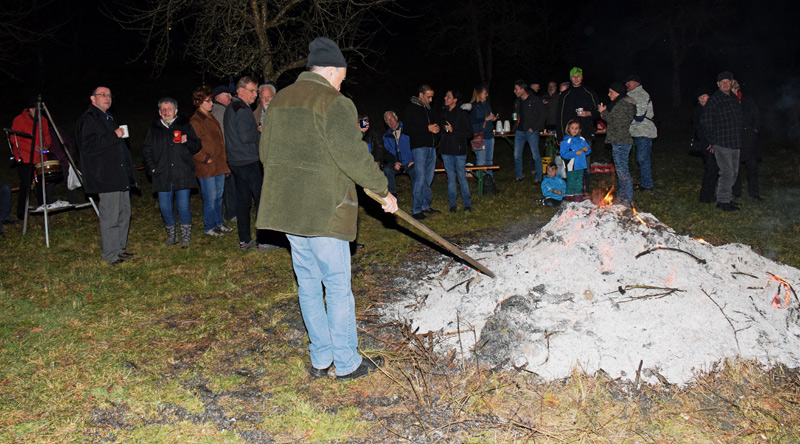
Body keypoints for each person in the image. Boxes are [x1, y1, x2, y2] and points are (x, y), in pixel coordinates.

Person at [257, 37, 398, 380]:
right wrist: (383, 192)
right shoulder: (334, 103)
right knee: (336, 287)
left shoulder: (278, 102)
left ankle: (320, 359)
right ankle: (347, 362)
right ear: (331, 71)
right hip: (325, 210)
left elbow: (265, 154)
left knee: (307, 284)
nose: (341, 84)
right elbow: (352, 156)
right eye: (341, 77)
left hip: (290, 211)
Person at [76, 86, 139, 265]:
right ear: (92, 99)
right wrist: (114, 135)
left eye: (109, 95)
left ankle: (119, 249)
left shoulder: (109, 117)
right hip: (105, 175)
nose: (107, 98)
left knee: (124, 212)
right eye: (102, 95)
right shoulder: (89, 119)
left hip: (119, 173)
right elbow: (87, 147)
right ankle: (110, 254)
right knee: (110, 216)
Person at [142, 97, 202, 248]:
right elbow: (147, 149)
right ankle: (172, 236)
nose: (165, 111)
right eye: (163, 109)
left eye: (169, 109)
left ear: (175, 111)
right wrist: (152, 167)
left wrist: (186, 140)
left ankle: (186, 237)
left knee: (183, 206)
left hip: (182, 173)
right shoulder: (154, 129)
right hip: (162, 174)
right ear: (159, 112)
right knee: (165, 207)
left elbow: (197, 146)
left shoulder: (185, 126)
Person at [224, 76, 275, 250]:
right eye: (253, 91)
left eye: (256, 91)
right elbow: (246, 137)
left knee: (243, 202)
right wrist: (259, 131)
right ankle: (264, 240)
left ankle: (244, 239)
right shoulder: (242, 109)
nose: (256, 95)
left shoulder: (231, 107)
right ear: (241, 90)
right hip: (249, 161)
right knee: (261, 200)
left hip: (236, 162)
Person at [190, 86, 233, 237]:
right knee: (210, 197)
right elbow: (191, 144)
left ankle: (218, 222)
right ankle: (209, 226)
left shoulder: (211, 117)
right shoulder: (195, 121)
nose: (212, 103)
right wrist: (204, 157)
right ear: (199, 102)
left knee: (218, 196)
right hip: (206, 167)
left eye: (211, 100)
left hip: (219, 165)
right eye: (208, 101)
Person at [701, 71, 743, 212]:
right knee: (727, 172)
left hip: (735, 141)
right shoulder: (714, 99)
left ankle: (727, 198)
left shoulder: (733, 99)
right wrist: (712, 140)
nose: (725, 84)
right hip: (721, 141)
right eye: (722, 82)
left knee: (734, 173)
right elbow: (706, 121)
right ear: (718, 84)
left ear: (732, 83)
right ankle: (723, 201)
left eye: (727, 82)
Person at [556, 67, 599, 193]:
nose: (576, 78)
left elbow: (599, 113)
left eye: (578, 76)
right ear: (570, 78)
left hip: (585, 133)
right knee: (570, 162)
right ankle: (572, 189)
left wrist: (588, 113)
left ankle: (585, 189)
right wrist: (560, 136)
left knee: (585, 161)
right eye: (573, 76)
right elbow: (559, 117)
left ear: (582, 77)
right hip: (569, 135)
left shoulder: (589, 93)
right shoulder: (565, 95)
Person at [10, 99, 53, 218]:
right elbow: (15, 139)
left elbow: (47, 137)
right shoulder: (19, 120)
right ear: (30, 110)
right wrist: (33, 147)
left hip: (39, 157)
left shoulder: (43, 120)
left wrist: (45, 145)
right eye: (36, 110)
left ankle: (42, 208)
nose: (38, 113)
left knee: (41, 182)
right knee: (26, 183)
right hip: (25, 157)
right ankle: (21, 213)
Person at [403, 84, 440, 220]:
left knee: (428, 178)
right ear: (421, 95)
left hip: (431, 147)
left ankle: (425, 205)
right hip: (419, 148)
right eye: (428, 97)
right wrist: (426, 128)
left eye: (432, 97)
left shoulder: (428, 109)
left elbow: (434, 125)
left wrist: (437, 130)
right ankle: (416, 209)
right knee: (420, 177)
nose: (431, 100)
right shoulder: (411, 108)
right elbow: (407, 128)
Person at [598, 82, 637, 205]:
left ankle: (627, 199)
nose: (609, 95)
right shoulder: (623, 103)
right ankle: (623, 197)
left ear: (618, 92)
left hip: (621, 141)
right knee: (621, 171)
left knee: (623, 171)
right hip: (621, 140)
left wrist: (603, 112)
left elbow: (615, 121)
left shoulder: (622, 104)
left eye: (611, 92)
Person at [440, 89, 472, 212]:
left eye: (448, 97)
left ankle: (467, 204)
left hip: (459, 151)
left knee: (461, 177)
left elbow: (469, 133)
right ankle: (452, 204)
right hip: (446, 150)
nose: (445, 98)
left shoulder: (462, 114)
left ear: (455, 100)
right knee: (450, 177)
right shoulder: (444, 113)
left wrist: (454, 131)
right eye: (446, 96)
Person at [624, 74, 658, 191]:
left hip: (643, 130)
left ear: (636, 83)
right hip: (635, 131)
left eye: (629, 82)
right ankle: (644, 182)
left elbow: (639, 116)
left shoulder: (641, 95)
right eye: (626, 82)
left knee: (642, 158)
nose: (626, 84)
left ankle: (647, 184)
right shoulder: (630, 95)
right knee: (641, 158)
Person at [731, 80, 762, 201]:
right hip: (735, 138)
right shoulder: (728, 102)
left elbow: (757, 115)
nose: (733, 90)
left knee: (752, 166)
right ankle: (737, 193)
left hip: (749, 138)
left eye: (735, 87)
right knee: (736, 167)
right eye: (731, 88)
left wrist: (755, 130)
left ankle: (754, 193)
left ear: (738, 88)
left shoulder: (748, 100)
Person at [211, 85, 238, 223]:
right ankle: (231, 212)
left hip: (227, 154)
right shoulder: (218, 111)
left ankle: (233, 210)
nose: (230, 97)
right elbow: (223, 136)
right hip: (225, 155)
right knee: (228, 184)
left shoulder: (223, 110)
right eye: (227, 94)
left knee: (230, 183)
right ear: (218, 97)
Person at [512, 79, 546, 182]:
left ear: (523, 89)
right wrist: (514, 123)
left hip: (531, 132)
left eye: (516, 89)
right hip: (519, 131)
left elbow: (543, 114)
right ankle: (519, 176)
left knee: (535, 155)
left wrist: (534, 127)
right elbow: (516, 115)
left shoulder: (534, 100)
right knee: (516, 155)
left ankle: (538, 177)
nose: (514, 91)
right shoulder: (517, 101)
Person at [382, 111, 416, 198]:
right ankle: (392, 197)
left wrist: (414, 160)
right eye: (387, 120)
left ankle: (417, 196)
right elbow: (386, 153)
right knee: (387, 169)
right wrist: (394, 162)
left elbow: (416, 145)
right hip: (397, 163)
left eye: (391, 118)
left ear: (396, 117)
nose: (390, 122)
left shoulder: (408, 129)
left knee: (414, 171)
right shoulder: (386, 136)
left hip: (410, 162)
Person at [692, 88, 716, 203]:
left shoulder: (713, 110)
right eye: (700, 97)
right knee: (710, 168)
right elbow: (699, 130)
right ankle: (705, 197)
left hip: (715, 142)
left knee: (714, 169)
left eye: (705, 96)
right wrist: (709, 141)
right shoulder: (698, 111)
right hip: (706, 144)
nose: (702, 99)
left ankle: (711, 194)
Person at [469, 86, 498, 182]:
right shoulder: (472, 106)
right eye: (485, 93)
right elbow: (471, 121)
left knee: (489, 161)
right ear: (479, 94)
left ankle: (489, 182)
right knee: (481, 161)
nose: (487, 95)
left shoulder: (486, 105)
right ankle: (481, 183)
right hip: (478, 136)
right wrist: (486, 118)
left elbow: (488, 117)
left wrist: (492, 118)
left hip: (489, 135)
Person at [560, 120, 591, 202]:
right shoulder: (567, 141)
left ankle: (578, 198)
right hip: (572, 165)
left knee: (579, 182)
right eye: (572, 128)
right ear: (568, 129)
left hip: (581, 165)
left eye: (576, 128)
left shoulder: (581, 139)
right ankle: (569, 198)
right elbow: (563, 154)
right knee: (571, 182)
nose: (574, 130)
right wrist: (575, 153)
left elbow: (588, 150)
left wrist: (586, 149)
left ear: (579, 129)